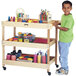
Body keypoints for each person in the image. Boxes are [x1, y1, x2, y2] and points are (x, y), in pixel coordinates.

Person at [53, 0, 74, 75]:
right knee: (61, 54)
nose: (66, 9)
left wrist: (57, 27)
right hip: (62, 39)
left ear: (71, 8)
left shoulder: (70, 18)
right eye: (64, 8)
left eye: (68, 8)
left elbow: (66, 28)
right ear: (62, 8)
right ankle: (63, 67)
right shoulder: (63, 16)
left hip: (66, 39)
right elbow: (63, 23)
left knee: (63, 55)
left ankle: (65, 69)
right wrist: (58, 23)